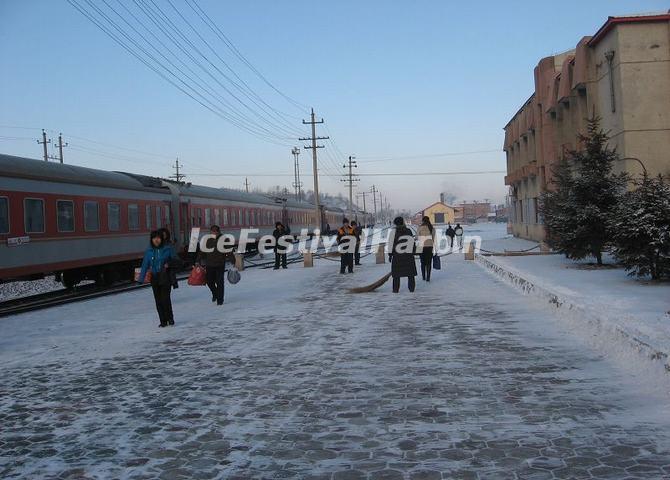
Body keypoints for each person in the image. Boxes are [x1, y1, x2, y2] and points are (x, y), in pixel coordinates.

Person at [139, 230, 178, 327]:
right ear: (151, 240)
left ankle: (170, 318)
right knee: (158, 300)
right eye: (154, 238)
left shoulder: (168, 249)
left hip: (165, 276)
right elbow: (145, 265)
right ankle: (163, 321)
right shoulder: (149, 251)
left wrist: (169, 264)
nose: (156, 240)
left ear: (161, 239)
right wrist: (141, 279)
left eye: (158, 238)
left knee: (165, 299)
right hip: (154, 277)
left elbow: (177, 261)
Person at [197, 225, 228, 305]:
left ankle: (220, 300)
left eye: (215, 231)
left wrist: (233, 261)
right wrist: (198, 260)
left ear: (218, 232)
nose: (214, 233)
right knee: (209, 281)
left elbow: (229, 250)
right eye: (212, 231)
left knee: (220, 282)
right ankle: (215, 293)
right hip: (210, 264)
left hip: (220, 264)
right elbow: (202, 250)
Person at [389, 216, 417, 293]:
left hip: (397, 256)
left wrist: (390, 255)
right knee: (410, 274)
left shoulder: (393, 232)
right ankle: (411, 290)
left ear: (395, 224)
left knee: (396, 275)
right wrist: (414, 251)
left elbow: (391, 245)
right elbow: (412, 243)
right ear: (403, 222)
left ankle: (395, 290)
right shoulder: (408, 231)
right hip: (408, 256)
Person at [416, 216, 435, 281]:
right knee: (429, 263)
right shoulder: (431, 228)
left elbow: (417, 237)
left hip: (421, 246)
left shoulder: (420, 228)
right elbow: (433, 238)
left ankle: (423, 276)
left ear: (423, 221)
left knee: (422, 263)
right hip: (429, 247)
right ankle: (428, 277)